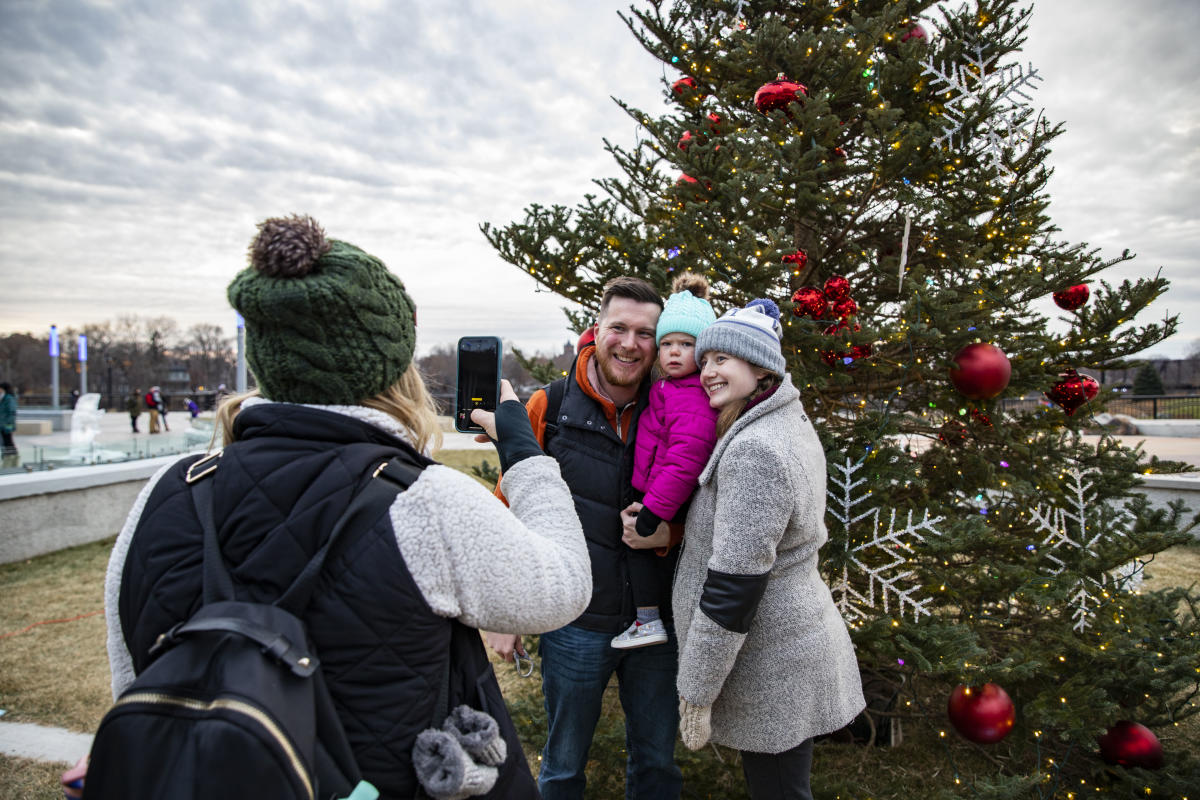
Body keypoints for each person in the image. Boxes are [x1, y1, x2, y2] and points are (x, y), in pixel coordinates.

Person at [103, 214, 591, 798]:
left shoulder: (170, 489)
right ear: (389, 365)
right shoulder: (425, 502)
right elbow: (563, 586)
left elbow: (134, 674)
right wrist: (523, 449)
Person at [487, 276, 682, 799]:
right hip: (575, 622)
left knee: (657, 766)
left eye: (646, 333)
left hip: (656, 624)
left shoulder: (675, 409)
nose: (630, 343)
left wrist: (669, 532)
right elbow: (512, 507)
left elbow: (706, 506)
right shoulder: (548, 407)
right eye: (619, 327)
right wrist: (508, 614)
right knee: (563, 766)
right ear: (597, 329)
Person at [670, 298, 865, 800]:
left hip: (773, 658)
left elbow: (735, 585)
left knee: (779, 791)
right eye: (706, 359)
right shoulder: (780, 421)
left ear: (760, 367)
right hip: (789, 644)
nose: (706, 371)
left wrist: (697, 688)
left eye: (723, 360)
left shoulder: (756, 448)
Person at [613, 273, 718, 649]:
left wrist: (654, 510)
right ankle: (648, 619)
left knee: (642, 549)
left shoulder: (694, 398)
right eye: (667, 343)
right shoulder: (664, 387)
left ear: (704, 352)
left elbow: (686, 459)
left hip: (662, 501)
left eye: (686, 344)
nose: (674, 352)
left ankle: (648, 621)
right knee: (638, 551)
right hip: (652, 492)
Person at [0, 382, 17, 466]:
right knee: (5, 443)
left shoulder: (8, 398)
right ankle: (8, 459)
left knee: (8, 442)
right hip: (2, 425)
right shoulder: (3, 398)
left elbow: (11, 412)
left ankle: (12, 460)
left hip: (7, 426)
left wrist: (8, 424)